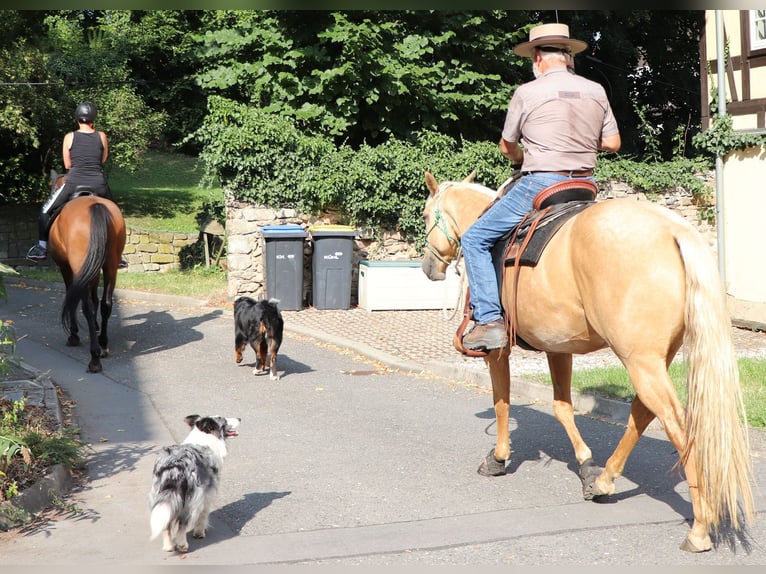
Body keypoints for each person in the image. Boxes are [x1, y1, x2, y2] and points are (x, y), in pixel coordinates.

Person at [461, 23, 621, 351]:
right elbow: (613, 143)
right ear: (568, 57)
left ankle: (489, 320)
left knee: (474, 238)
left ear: (537, 58)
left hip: (541, 184)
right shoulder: (596, 90)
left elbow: (507, 147)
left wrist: (522, 156)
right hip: (584, 186)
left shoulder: (527, 92)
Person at [27, 102, 126, 267]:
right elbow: (103, 159)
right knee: (117, 214)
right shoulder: (102, 136)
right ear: (93, 119)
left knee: (45, 210)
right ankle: (118, 255)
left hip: (74, 182)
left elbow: (67, 165)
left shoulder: (69, 137)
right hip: (98, 183)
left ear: (77, 119)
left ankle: (41, 247)